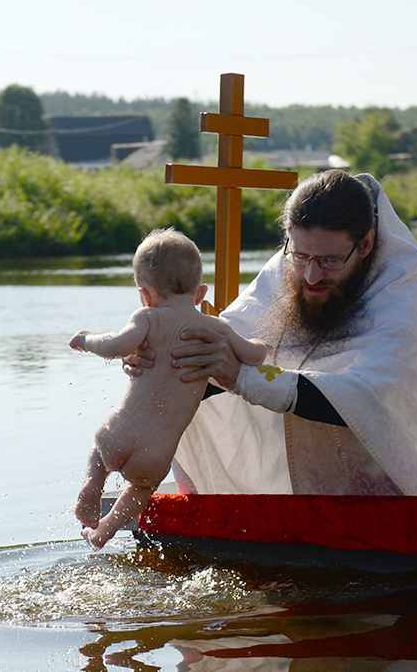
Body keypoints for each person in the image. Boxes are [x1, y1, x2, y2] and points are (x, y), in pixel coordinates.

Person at [130, 170, 417, 500]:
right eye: (300, 256)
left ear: (366, 245)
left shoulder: (406, 285)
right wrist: (161, 363)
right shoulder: (292, 266)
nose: (311, 276)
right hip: (315, 492)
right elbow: (224, 341)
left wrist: (242, 378)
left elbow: (373, 397)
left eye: (329, 261)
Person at [70, 228, 270, 549]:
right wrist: (265, 345)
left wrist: (86, 340)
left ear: (145, 294)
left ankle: (91, 489)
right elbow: (252, 354)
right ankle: (103, 531)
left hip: (121, 433)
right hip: (157, 454)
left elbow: (116, 345)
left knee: (98, 452)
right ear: (201, 292)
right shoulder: (216, 327)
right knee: (139, 490)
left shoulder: (148, 318)